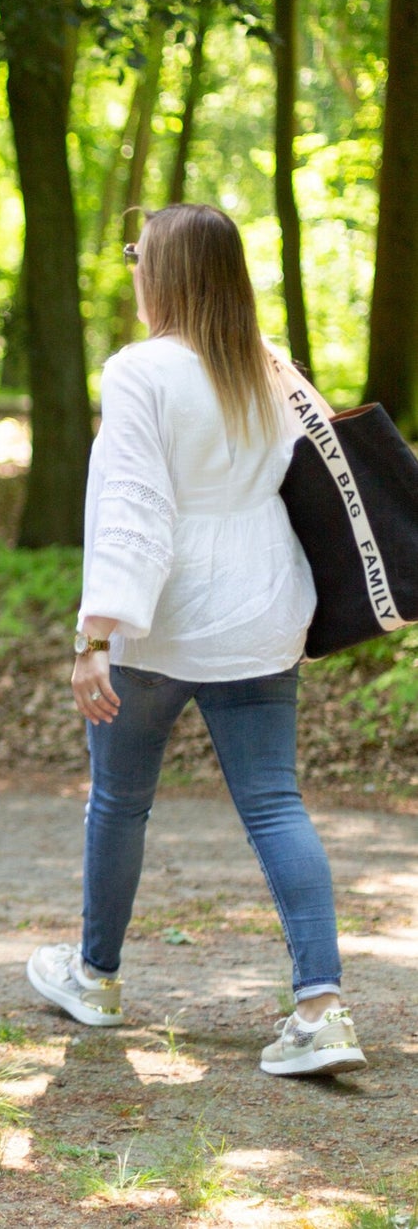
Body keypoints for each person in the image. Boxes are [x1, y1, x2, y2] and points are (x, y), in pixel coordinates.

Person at [26, 202, 365, 1077]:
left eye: (138, 254)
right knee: (273, 802)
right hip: (260, 607)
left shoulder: (139, 372)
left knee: (119, 801)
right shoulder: (272, 368)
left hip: (164, 615)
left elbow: (135, 509)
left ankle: (96, 977)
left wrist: (93, 633)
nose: (133, 267)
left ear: (162, 273)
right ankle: (320, 1009)